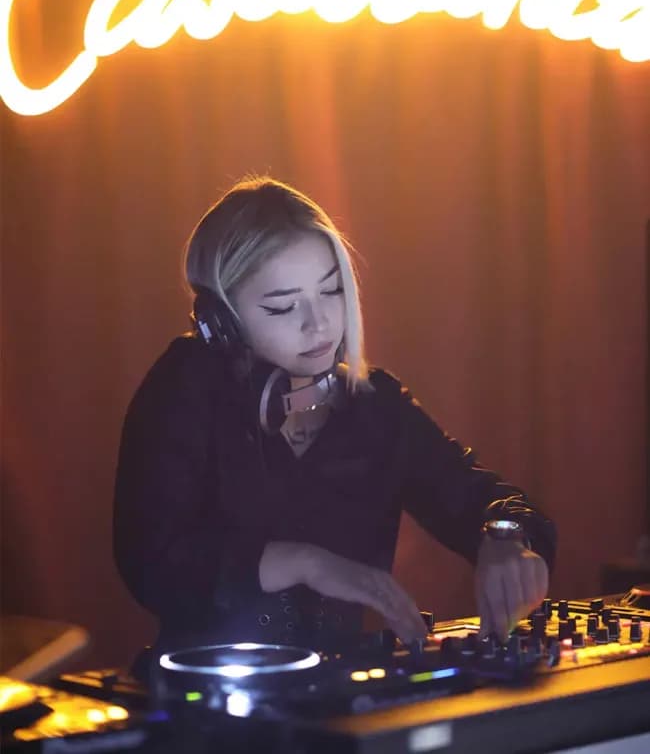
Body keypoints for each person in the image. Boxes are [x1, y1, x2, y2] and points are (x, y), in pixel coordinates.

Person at [114, 176, 556, 660]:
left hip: (343, 701)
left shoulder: (373, 406)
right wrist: (304, 563)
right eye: (283, 306)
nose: (319, 323)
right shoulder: (185, 390)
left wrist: (504, 537)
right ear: (220, 322)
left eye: (331, 292)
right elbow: (153, 565)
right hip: (206, 707)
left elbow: (486, 498)